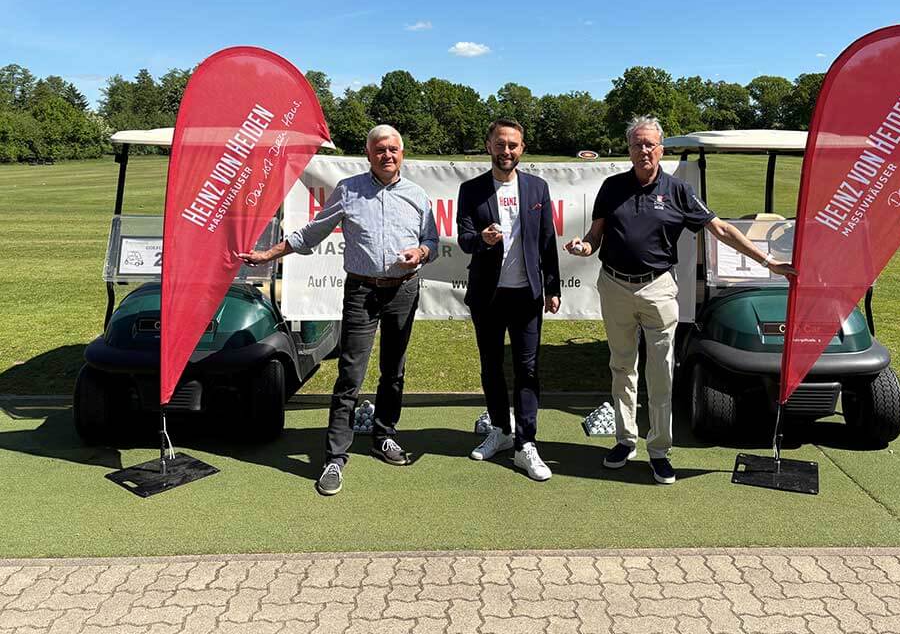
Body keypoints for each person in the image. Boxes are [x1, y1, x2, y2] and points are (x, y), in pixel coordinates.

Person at [565, 115, 796, 485]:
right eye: (637, 144)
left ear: (660, 149)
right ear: (629, 149)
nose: (644, 150)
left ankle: (658, 450)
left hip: (658, 289)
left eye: (650, 144)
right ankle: (625, 441)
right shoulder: (611, 187)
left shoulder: (677, 191)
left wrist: (768, 261)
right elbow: (596, 235)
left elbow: (720, 228)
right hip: (614, 286)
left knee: (660, 373)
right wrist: (584, 246)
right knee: (622, 367)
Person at [239, 124, 438, 496]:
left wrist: (422, 253)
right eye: (380, 149)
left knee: (394, 371)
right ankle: (334, 457)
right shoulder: (349, 190)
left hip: (404, 290)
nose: (387, 155)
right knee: (350, 375)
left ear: (402, 153)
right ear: (369, 154)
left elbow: (432, 240)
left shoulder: (417, 195)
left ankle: (384, 436)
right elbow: (311, 232)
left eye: (393, 149)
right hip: (362, 291)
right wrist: (268, 253)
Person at [457, 119, 561, 481]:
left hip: (527, 295)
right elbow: (464, 239)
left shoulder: (537, 188)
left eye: (513, 145)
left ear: (522, 148)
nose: (506, 151)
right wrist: (481, 239)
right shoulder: (471, 190)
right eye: (500, 144)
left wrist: (554, 287)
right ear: (488, 145)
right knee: (491, 366)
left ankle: (525, 443)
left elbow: (547, 240)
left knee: (528, 369)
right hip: (487, 295)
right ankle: (500, 429)